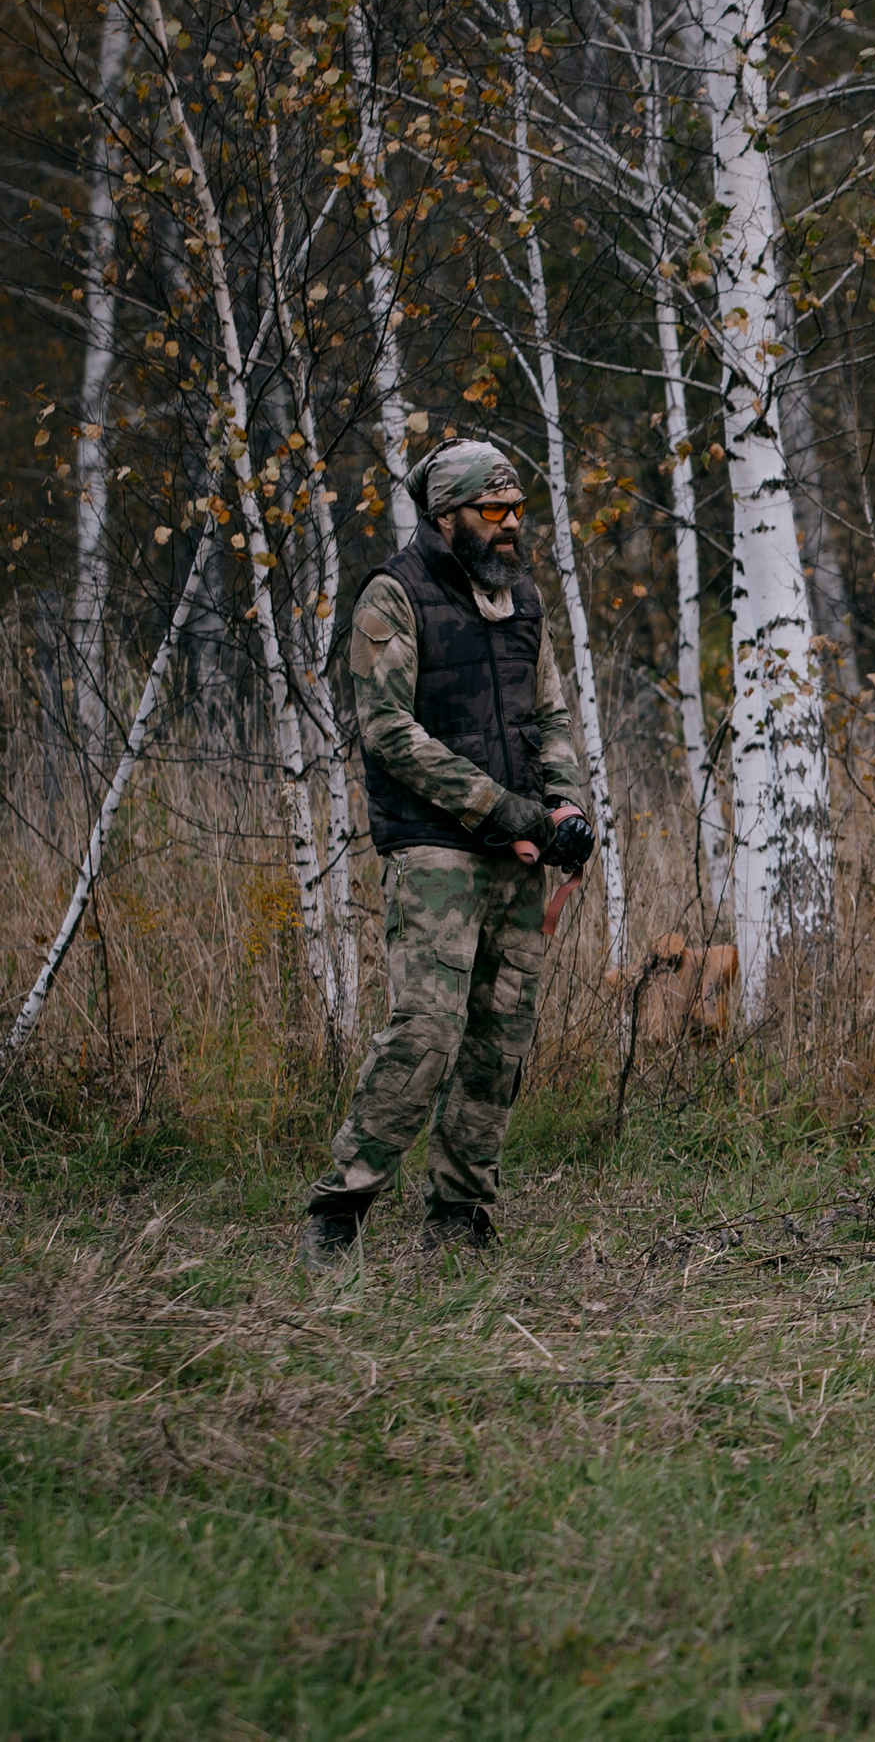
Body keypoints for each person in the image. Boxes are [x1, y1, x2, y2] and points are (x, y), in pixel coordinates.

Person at [299, 440, 593, 1272]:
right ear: (447, 514)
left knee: (500, 1040)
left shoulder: (522, 596)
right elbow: (389, 734)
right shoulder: (393, 595)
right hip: (434, 849)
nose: (510, 526)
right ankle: (339, 1210)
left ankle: (460, 1218)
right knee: (425, 1031)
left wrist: (566, 803)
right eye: (493, 512)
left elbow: (551, 714)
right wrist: (504, 808)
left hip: (522, 851)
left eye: (516, 511)